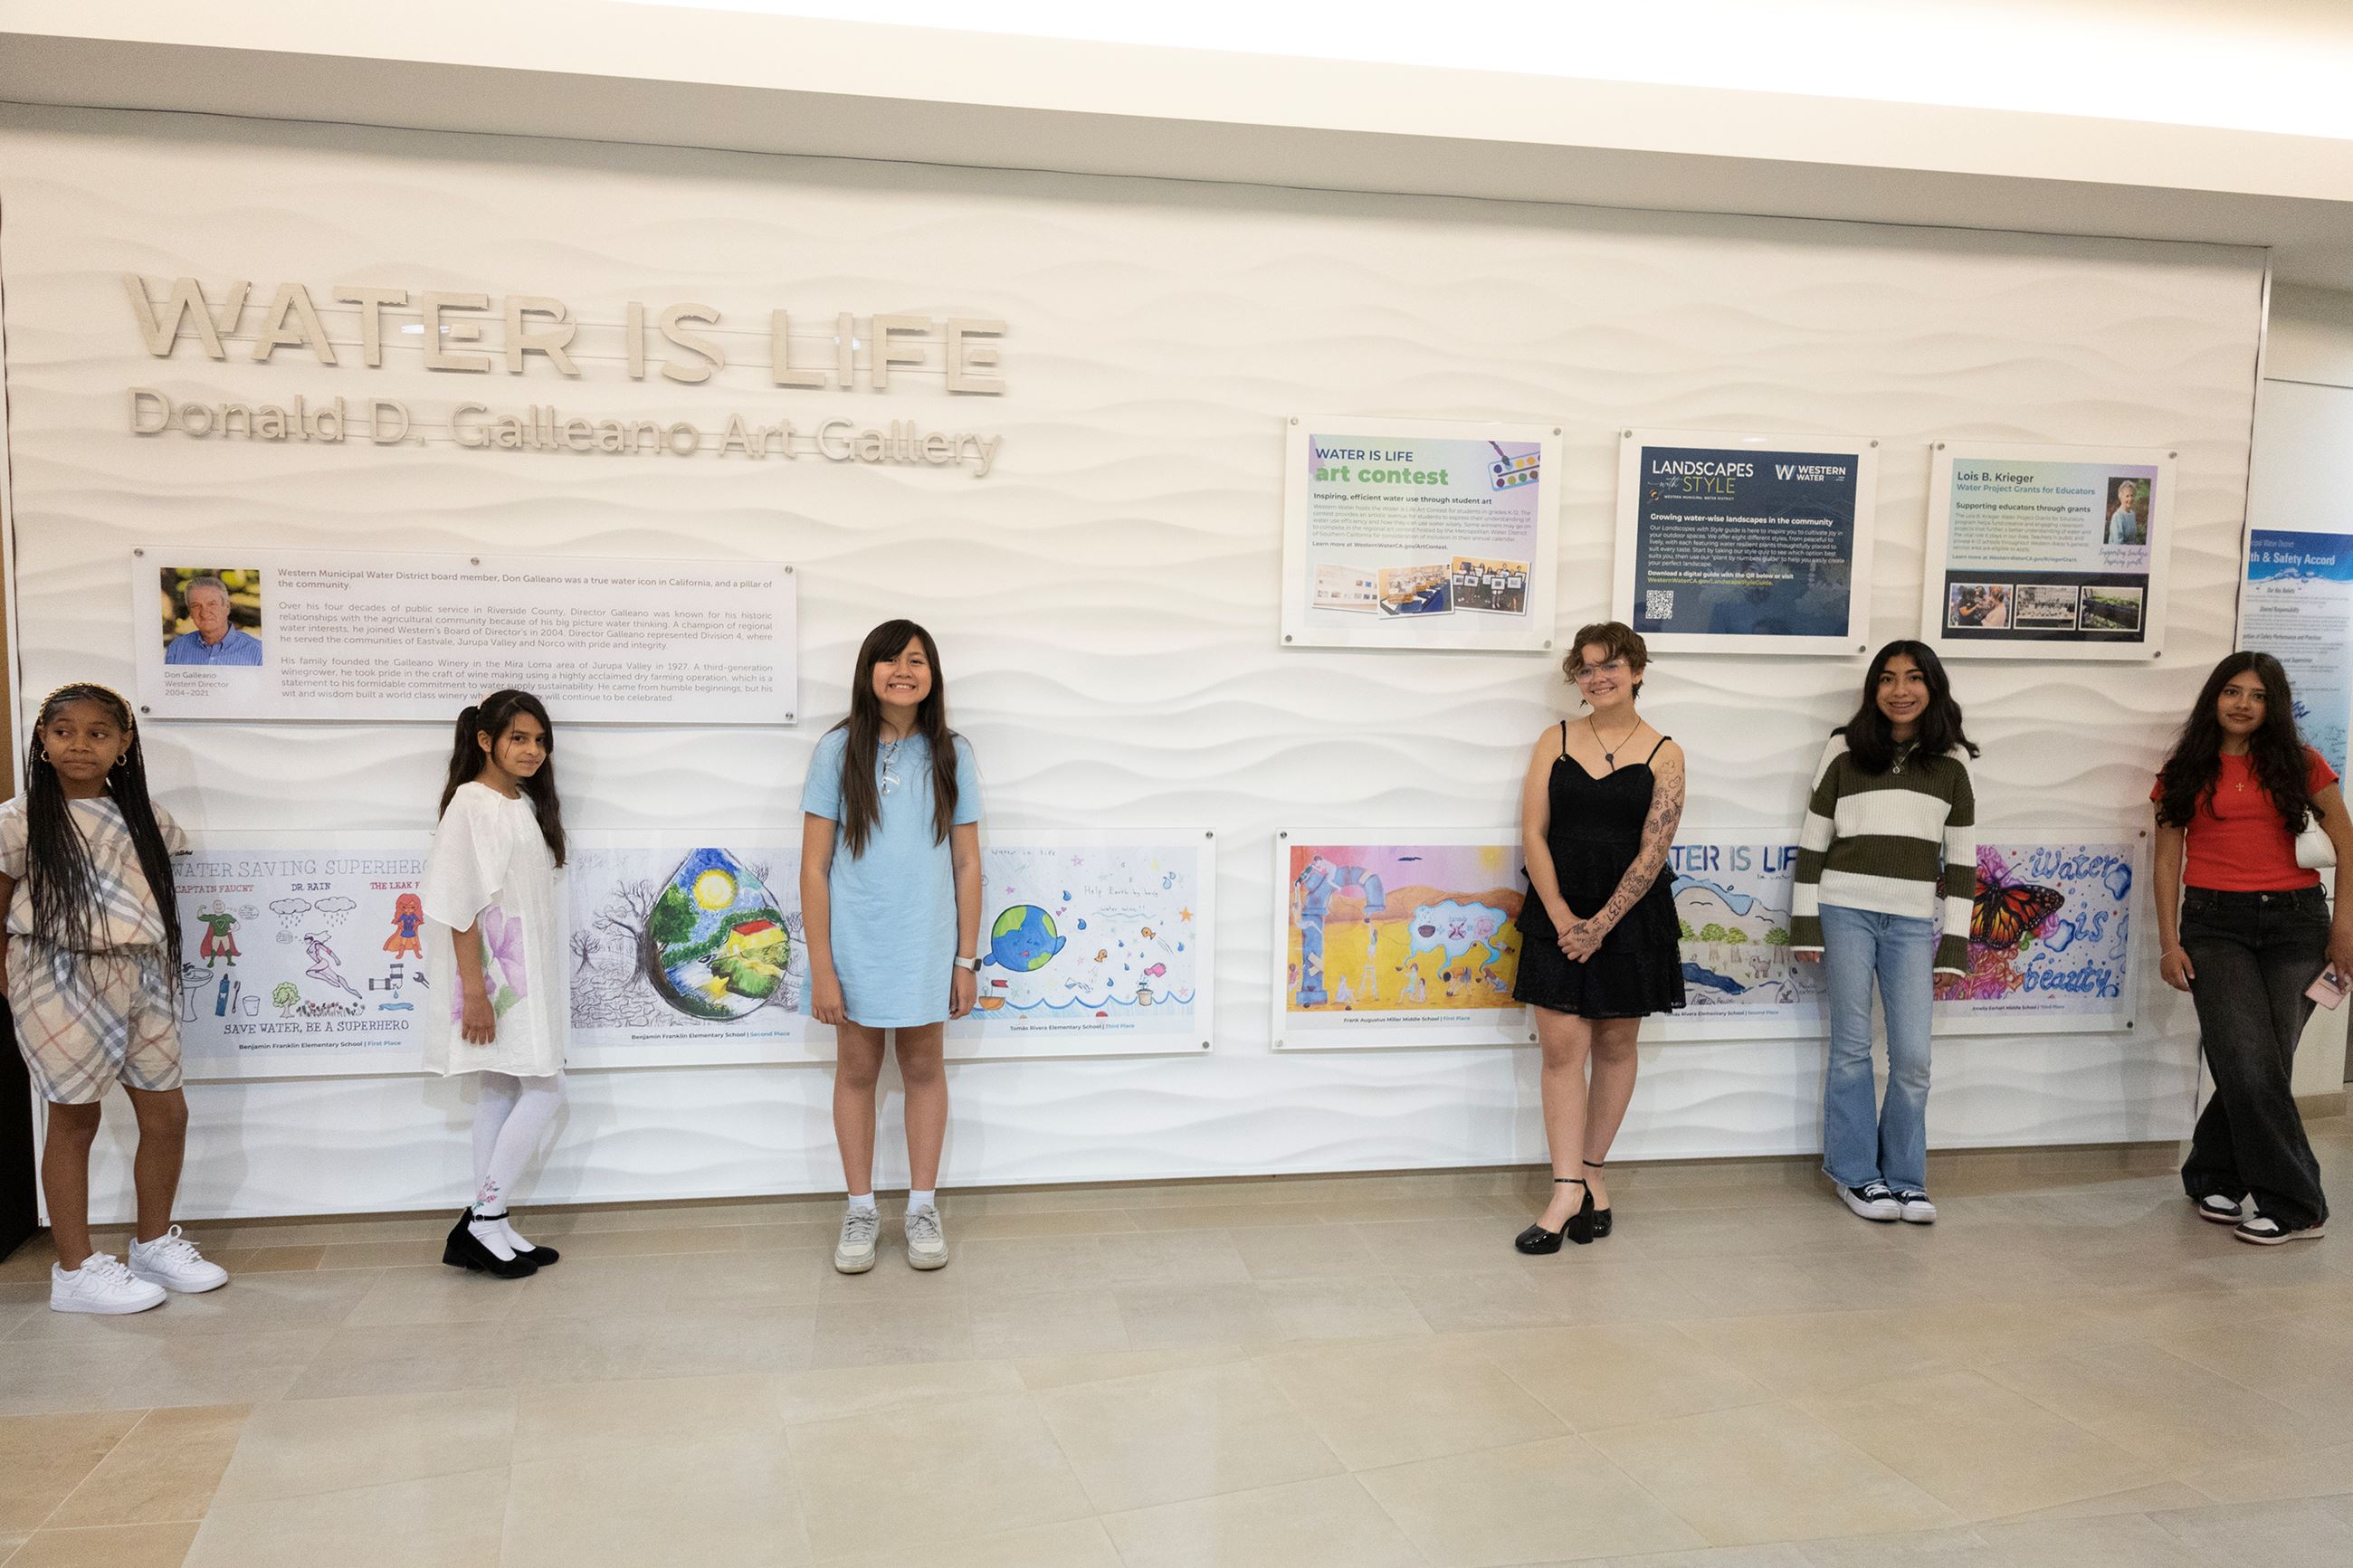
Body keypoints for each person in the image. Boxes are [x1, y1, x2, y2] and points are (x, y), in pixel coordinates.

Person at [0, 683, 228, 1313]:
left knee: (168, 1114)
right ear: (42, 739)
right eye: (63, 730)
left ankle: (152, 1241)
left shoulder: (145, 817)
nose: (79, 744)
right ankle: (75, 1270)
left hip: (143, 971)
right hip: (59, 972)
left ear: (124, 744)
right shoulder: (18, 819)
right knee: (76, 1117)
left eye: (98, 732)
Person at [2153, 651, 2353, 1244]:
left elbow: (2347, 842)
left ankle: (2213, 1172)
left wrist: (2344, 929)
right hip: (2215, 925)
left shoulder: (2301, 764)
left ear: (2274, 705)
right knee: (2245, 1058)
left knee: (2263, 1063)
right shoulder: (2185, 768)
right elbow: (2167, 858)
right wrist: (2169, 942)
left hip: (2298, 924)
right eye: (2233, 691)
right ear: (2214, 697)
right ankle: (2297, 1203)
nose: (2243, 703)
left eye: (2258, 695)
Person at [801, 621, 983, 1275]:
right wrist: (822, 966)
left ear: (932, 674)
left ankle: (923, 1205)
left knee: (924, 1068)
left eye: (917, 659)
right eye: (890, 658)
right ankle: (859, 1207)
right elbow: (814, 867)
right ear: (868, 669)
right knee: (855, 1069)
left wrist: (966, 959)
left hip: (928, 944)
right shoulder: (836, 751)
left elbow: (967, 864)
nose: (903, 670)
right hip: (855, 945)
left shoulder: (952, 753)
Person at [1511, 622, 1686, 1253]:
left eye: (1610, 664)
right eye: (1585, 667)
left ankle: (1592, 1176)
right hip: (1559, 911)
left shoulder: (1666, 751)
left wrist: (1601, 926)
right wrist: (1562, 918)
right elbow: (1533, 832)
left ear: (1637, 670)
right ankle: (1564, 1192)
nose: (1597, 677)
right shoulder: (1552, 739)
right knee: (1561, 1051)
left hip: (1631, 915)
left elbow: (1653, 850)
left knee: (1615, 1046)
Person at [1792, 641, 1978, 1225]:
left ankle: (1905, 1179)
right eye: (1888, 679)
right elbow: (1814, 840)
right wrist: (1805, 923)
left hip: (1910, 921)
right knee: (1850, 1050)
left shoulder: (1953, 761)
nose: (1901, 690)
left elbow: (1964, 860)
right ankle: (1855, 1175)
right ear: (1873, 690)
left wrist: (1953, 944)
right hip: (1843, 910)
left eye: (1914, 678)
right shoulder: (1843, 750)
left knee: (1913, 1057)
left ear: (1933, 687)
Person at [424, 690, 569, 1279]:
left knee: (501, 1091)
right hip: (497, 979)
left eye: (539, 740)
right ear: (485, 740)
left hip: (523, 973)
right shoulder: (472, 804)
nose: (532, 750)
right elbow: (458, 906)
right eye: (519, 738)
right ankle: (483, 1218)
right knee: (545, 1089)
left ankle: (491, 1218)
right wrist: (476, 991)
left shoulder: (521, 804)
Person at [162, 575, 264, 666]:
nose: (204, 612)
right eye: (196, 606)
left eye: (212, 604)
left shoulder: (257, 651)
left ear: (227, 607)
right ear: (190, 613)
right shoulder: (177, 648)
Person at [2106, 480, 2147, 546]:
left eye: (2132, 495)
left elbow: (2133, 540)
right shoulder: (2117, 517)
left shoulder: (2132, 514)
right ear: (2121, 497)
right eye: (2127, 496)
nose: (2130, 499)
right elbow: (2118, 544)